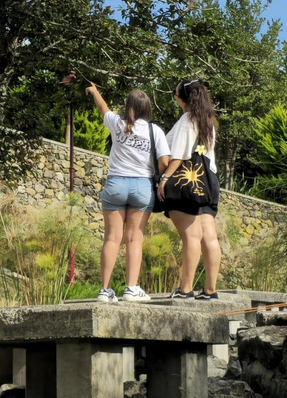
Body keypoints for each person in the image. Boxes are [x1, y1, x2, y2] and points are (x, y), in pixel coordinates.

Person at [86, 81, 170, 303]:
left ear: (128, 106)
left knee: (112, 238)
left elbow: (104, 109)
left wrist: (95, 91)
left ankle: (105, 291)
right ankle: (131, 288)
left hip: (116, 184)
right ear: (147, 108)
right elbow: (164, 161)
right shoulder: (155, 131)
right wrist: (158, 174)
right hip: (142, 186)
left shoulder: (117, 123)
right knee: (134, 239)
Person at [157, 79, 222, 301]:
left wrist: (164, 178)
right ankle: (210, 290)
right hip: (208, 181)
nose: (175, 98)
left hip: (188, 180)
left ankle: (185, 289)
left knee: (191, 237)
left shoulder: (187, 119)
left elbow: (180, 154)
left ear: (184, 99)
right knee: (209, 238)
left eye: (176, 95)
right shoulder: (208, 121)